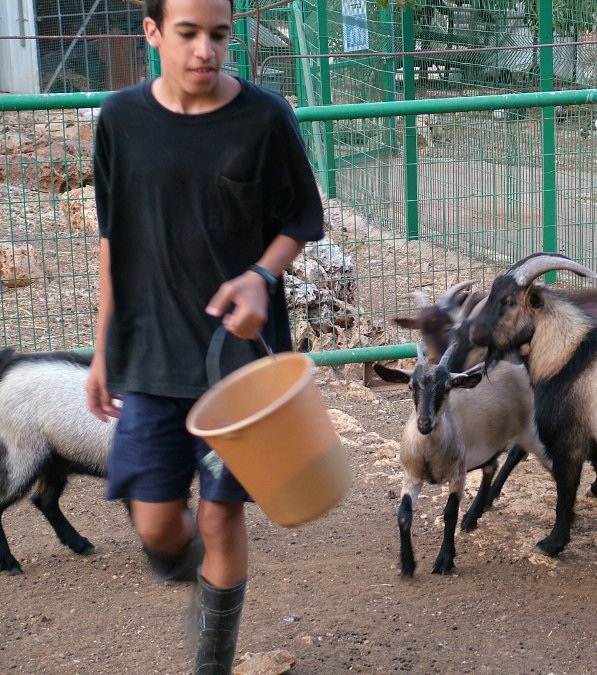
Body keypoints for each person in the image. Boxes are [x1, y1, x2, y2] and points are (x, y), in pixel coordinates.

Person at [85, 0, 324, 671]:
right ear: (153, 32)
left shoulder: (266, 118)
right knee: (158, 525)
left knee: (221, 517)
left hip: (239, 371)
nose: (205, 52)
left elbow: (301, 218)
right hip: (150, 355)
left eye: (219, 35)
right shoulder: (120, 121)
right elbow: (113, 243)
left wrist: (260, 276)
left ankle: (213, 658)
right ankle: (201, 577)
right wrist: (103, 348)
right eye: (187, 34)